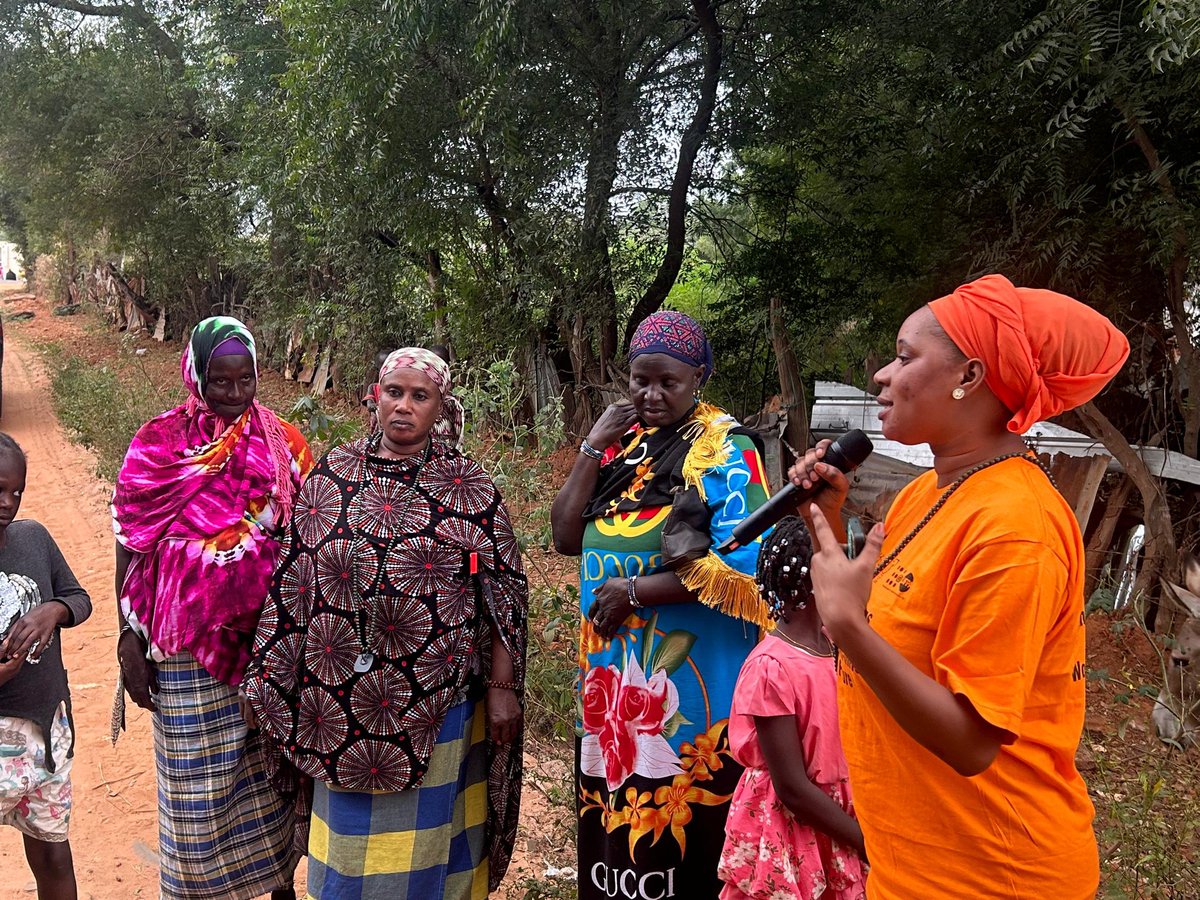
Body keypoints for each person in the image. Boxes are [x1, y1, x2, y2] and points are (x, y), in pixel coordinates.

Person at [796, 274, 1129, 898]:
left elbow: (973, 740)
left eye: (904, 356)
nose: (882, 377)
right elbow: (873, 611)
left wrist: (847, 628)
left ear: (969, 377)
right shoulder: (928, 491)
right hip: (911, 863)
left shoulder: (1014, 526)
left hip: (993, 875)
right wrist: (828, 521)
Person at [245, 347, 528, 899]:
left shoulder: (469, 489)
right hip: (339, 707)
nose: (403, 407)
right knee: (348, 856)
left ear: (441, 407)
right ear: (375, 397)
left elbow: (502, 596)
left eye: (419, 396)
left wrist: (501, 686)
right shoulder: (333, 474)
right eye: (393, 393)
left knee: (431, 853)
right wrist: (267, 674)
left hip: (437, 702)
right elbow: (293, 578)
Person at [551, 310, 773, 899]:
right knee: (614, 834)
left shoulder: (726, 451)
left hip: (690, 688)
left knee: (681, 833)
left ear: (698, 376)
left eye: (667, 383)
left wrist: (636, 592)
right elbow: (565, 537)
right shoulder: (621, 449)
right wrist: (591, 446)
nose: (650, 396)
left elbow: (745, 566)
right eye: (639, 381)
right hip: (609, 677)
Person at [112, 316, 314, 900]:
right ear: (196, 375)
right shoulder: (158, 444)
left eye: (244, 380)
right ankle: (195, 890)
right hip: (181, 646)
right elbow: (129, 538)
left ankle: (279, 885)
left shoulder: (284, 443)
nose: (232, 394)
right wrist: (128, 634)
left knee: (270, 777)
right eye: (219, 381)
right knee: (193, 792)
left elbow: (308, 539)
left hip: (267, 647)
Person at [717, 516, 866, 900]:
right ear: (813, 581)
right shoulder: (772, 668)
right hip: (792, 828)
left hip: (835, 817)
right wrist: (865, 841)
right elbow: (792, 787)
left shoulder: (835, 644)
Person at [0, 434, 90, 900]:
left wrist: (52, 610)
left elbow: (80, 599)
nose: (7, 503)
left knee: (53, 854)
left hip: (46, 733)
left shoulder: (33, 538)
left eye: (16, 491)